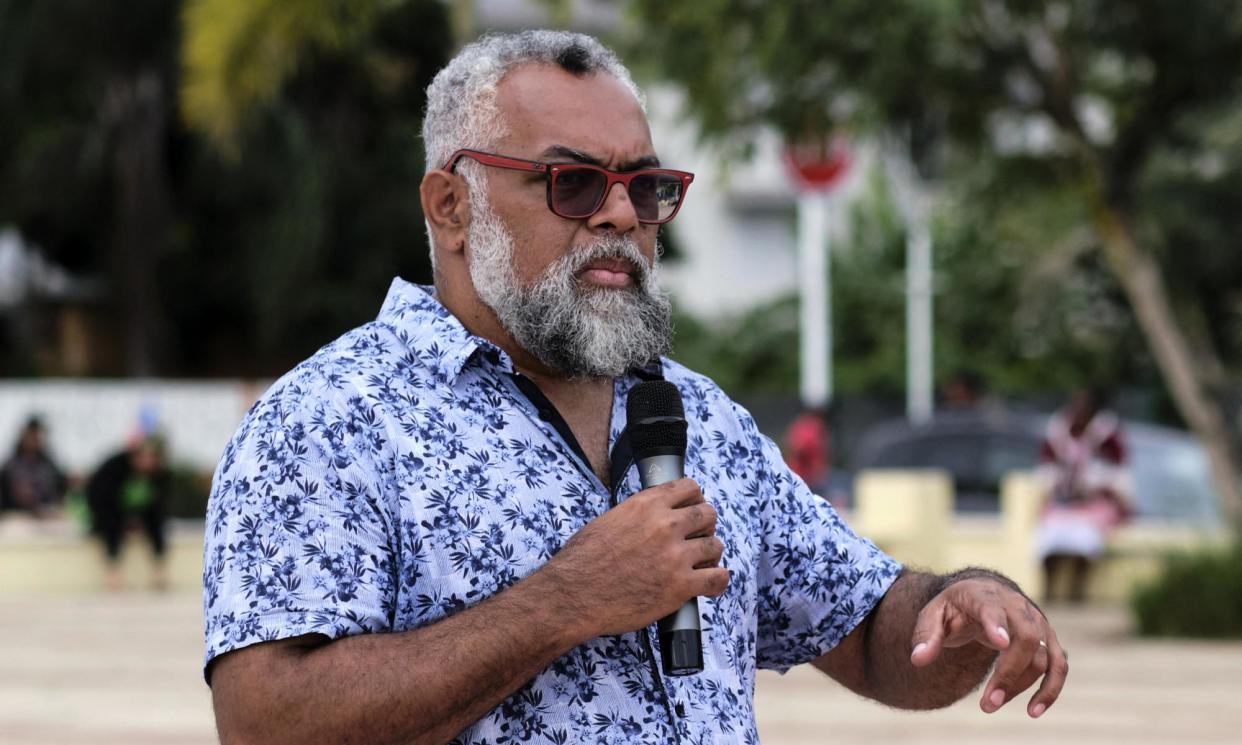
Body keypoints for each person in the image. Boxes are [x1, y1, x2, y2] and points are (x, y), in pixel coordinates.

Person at [204, 31, 1067, 744]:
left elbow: (874, 633)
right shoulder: (327, 421)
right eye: (571, 183)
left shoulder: (700, 417)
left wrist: (964, 606)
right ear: (451, 206)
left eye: (644, 187)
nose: (619, 215)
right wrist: (562, 603)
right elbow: (265, 723)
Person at [1035, 387, 1132, 603]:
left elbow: (1117, 475)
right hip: (1063, 504)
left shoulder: (1108, 436)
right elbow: (1048, 471)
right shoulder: (1058, 432)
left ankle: (1076, 590)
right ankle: (1049, 590)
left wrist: (1093, 486)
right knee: (1049, 537)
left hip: (1095, 504)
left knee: (1085, 540)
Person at [86, 433, 171, 591]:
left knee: (157, 523)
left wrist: (137, 519)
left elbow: (158, 504)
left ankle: (159, 572)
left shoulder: (158, 475)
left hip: (137, 512)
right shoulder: (114, 468)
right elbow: (101, 500)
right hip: (109, 511)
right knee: (112, 524)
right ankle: (113, 573)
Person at [0, 415, 67, 518]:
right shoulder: (11, 465)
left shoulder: (49, 466)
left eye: (36, 436)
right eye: (30, 435)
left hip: (46, 516)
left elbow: (60, 492)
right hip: (15, 516)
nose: (33, 440)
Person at [783, 404, 831, 494]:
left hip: (811, 479)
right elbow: (799, 448)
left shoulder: (811, 426)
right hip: (803, 478)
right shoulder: (811, 426)